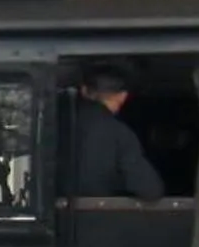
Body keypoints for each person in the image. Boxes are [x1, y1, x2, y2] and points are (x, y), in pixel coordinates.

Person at [68, 64, 165, 201]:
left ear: (84, 91)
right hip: (98, 219)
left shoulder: (52, 123)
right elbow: (150, 190)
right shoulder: (119, 134)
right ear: (123, 96)